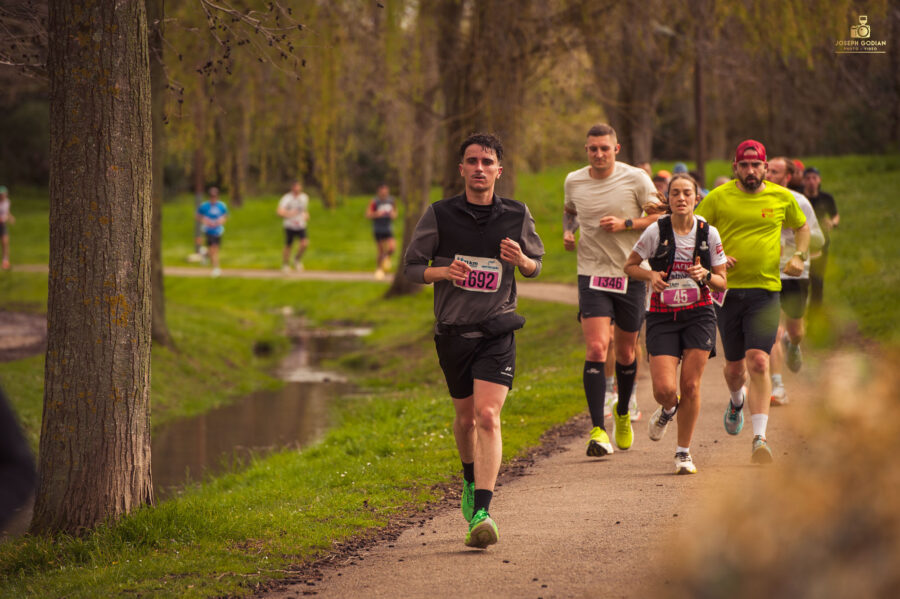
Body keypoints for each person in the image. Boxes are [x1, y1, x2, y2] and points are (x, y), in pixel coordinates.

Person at [404, 133, 544, 549]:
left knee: (487, 416)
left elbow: (536, 265)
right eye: (472, 161)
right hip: (452, 332)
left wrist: (522, 261)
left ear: (499, 170)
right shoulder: (440, 215)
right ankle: (469, 478)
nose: (479, 168)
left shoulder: (517, 215)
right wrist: (443, 273)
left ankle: (482, 511)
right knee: (465, 419)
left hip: (497, 330)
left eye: (487, 161)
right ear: (461, 169)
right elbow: (412, 267)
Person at [695, 140, 810, 463]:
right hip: (726, 292)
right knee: (734, 369)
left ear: (765, 166)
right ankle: (736, 401)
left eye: (756, 165)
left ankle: (759, 438)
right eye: (743, 166)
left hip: (766, 290)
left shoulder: (781, 197)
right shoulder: (718, 197)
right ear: (735, 167)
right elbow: (695, 232)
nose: (750, 171)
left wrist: (799, 255)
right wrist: (714, 256)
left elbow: (801, 228)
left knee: (758, 360)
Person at [563, 123, 659, 458]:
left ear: (616, 149)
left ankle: (621, 412)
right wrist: (568, 232)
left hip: (630, 272)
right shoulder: (574, 180)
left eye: (605, 148)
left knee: (626, 353)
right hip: (591, 273)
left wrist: (626, 224)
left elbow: (660, 216)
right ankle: (597, 430)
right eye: (593, 149)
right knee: (595, 347)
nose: (599, 154)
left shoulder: (636, 179)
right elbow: (570, 211)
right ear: (586, 150)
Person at [624, 174, 728, 474]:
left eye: (687, 193)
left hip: (699, 312)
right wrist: (651, 276)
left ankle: (683, 452)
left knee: (691, 385)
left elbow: (721, 282)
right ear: (667, 199)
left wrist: (704, 275)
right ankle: (669, 409)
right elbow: (629, 266)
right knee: (664, 389)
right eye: (675, 194)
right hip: (662, 315)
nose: (681, 198)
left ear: (697, 198)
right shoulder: (656, 231)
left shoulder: (709, 233)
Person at [765, 157, 826, 404]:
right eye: (766, 169)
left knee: (795, 330)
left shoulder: (800, 202)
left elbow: (819, 240)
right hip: (766, 273)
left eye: (774, 171)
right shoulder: (755, 201)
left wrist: (797, 249)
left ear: (788, 177)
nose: (767, 174)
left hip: (794, 274)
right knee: (770, 331)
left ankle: (794, 344)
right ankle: (777, 386)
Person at [802, 166, 839, 310]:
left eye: (814, 178)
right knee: (801, 282)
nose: (811, 181)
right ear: (803, 181)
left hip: (821, 246)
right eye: (808, 178)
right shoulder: (799, 197)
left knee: (817, 281)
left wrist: (832, 222)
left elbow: (835, 215)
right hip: (800, 245)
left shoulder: (826, 198)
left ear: (819, 180)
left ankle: (815, 314)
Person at [366, 183, 398, 280]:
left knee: (392, 247)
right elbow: (368, 214)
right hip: (378, 229)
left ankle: (386, 258)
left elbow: (395, 212)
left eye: (386, 192)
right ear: (379, 192)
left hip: (388, 228)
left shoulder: (391, 200)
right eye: (382, 192)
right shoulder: (374, 201)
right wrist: (377, 214)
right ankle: (379, 269)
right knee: (380, 251)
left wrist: (393, 215)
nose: (384, 194)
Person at [277, 181, 310, 272]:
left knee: (304, 243)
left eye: (299, 187)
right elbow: (279, 212)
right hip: (289, 225)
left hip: (300, 224)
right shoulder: (286, 198)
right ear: (292, 188)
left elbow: (304, 210)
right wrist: (290, 214)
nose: (297, 189)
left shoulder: (304, 197)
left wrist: (306, 215)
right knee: (288, 245)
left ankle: (297, 260)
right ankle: (285, 264)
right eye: (295, 187)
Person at [196, 186, 228, 277]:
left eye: (215, 196)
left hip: (218, 231)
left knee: (215, 250)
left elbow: (225, 216)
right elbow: (198, 216)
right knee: (214, 249)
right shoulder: (204, 206)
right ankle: (216, 268)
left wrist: (220, 221)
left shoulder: (222, 205)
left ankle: (205, 254)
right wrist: (205, 221)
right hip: (209, 231)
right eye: (212, 196)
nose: (213, 198)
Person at [0, 186, 14, 270]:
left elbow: (7, 212)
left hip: (3, 225)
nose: (2, 196)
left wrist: (10, 217)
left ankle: (5, 262)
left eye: (3, 194)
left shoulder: (7, 202)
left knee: (5, 243)